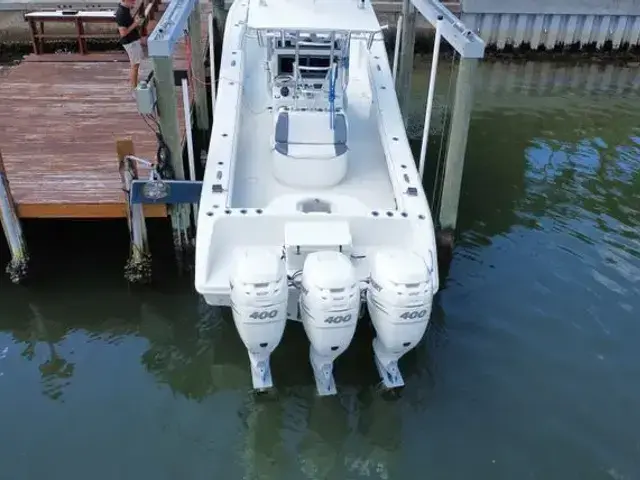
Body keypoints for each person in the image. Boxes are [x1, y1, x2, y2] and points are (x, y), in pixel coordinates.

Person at [115, 0, 146, 90]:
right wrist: (135, 23)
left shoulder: (126, 9)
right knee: (135, 66)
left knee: (136, 64)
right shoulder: (121, 13)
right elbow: (123, 33)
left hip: (133, 40)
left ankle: (135, 84)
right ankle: (134, 88)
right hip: (129, 42)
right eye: (132, 0)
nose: (134, 2)